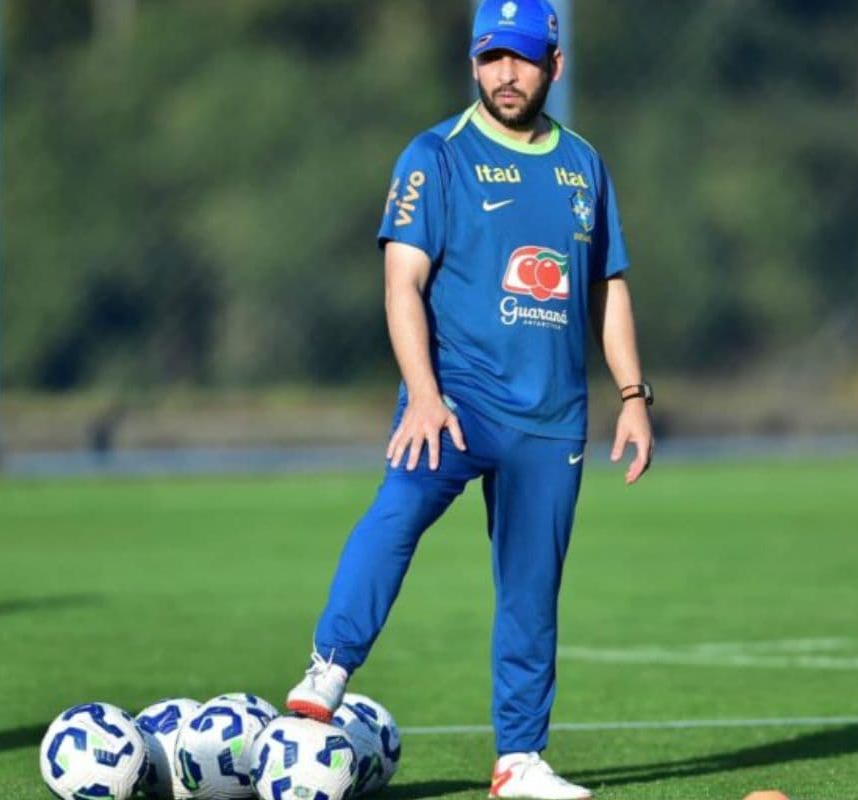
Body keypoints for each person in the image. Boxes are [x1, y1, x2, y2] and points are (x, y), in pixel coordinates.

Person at [285, 1, 653, 797]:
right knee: (398, 509)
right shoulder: (436, 156)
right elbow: (401, 282)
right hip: (455, 403)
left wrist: (632, 393)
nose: (505, 74)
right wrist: (422, 395)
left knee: (531, 590)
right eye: (491, 58)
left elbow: (607, 287)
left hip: (552, 417)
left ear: (553, 65)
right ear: (473, 63)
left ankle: (518, 761)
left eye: (521, 59)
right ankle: (329, 668)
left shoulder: (584, 164)